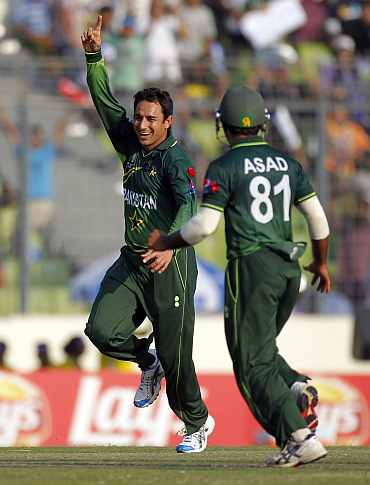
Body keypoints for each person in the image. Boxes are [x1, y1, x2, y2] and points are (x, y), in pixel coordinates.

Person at [147, 85, 331, 467]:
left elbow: (204, 227)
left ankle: (300, 437)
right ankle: (295, 386)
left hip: (252, 267)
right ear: (262, 124)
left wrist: (166, 240)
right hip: (288, 267)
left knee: (251, 363)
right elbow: (317, 218)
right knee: (262, 350)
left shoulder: (226, 166)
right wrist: (322, 263)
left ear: (223, 125)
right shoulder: (288, 164)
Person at [81, 15, 214, 453]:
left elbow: (189, 206)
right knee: (100, 330)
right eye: (139, 117)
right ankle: (146, 360)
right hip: (133, 260)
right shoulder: (132, 144)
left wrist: (171, 247)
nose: (141, 124)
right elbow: (105, 107)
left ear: (168, 122)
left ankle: (197, 422)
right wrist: (94, 57)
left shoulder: (176, 161)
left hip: (170, 265)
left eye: (150, 118)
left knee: (179, 359)